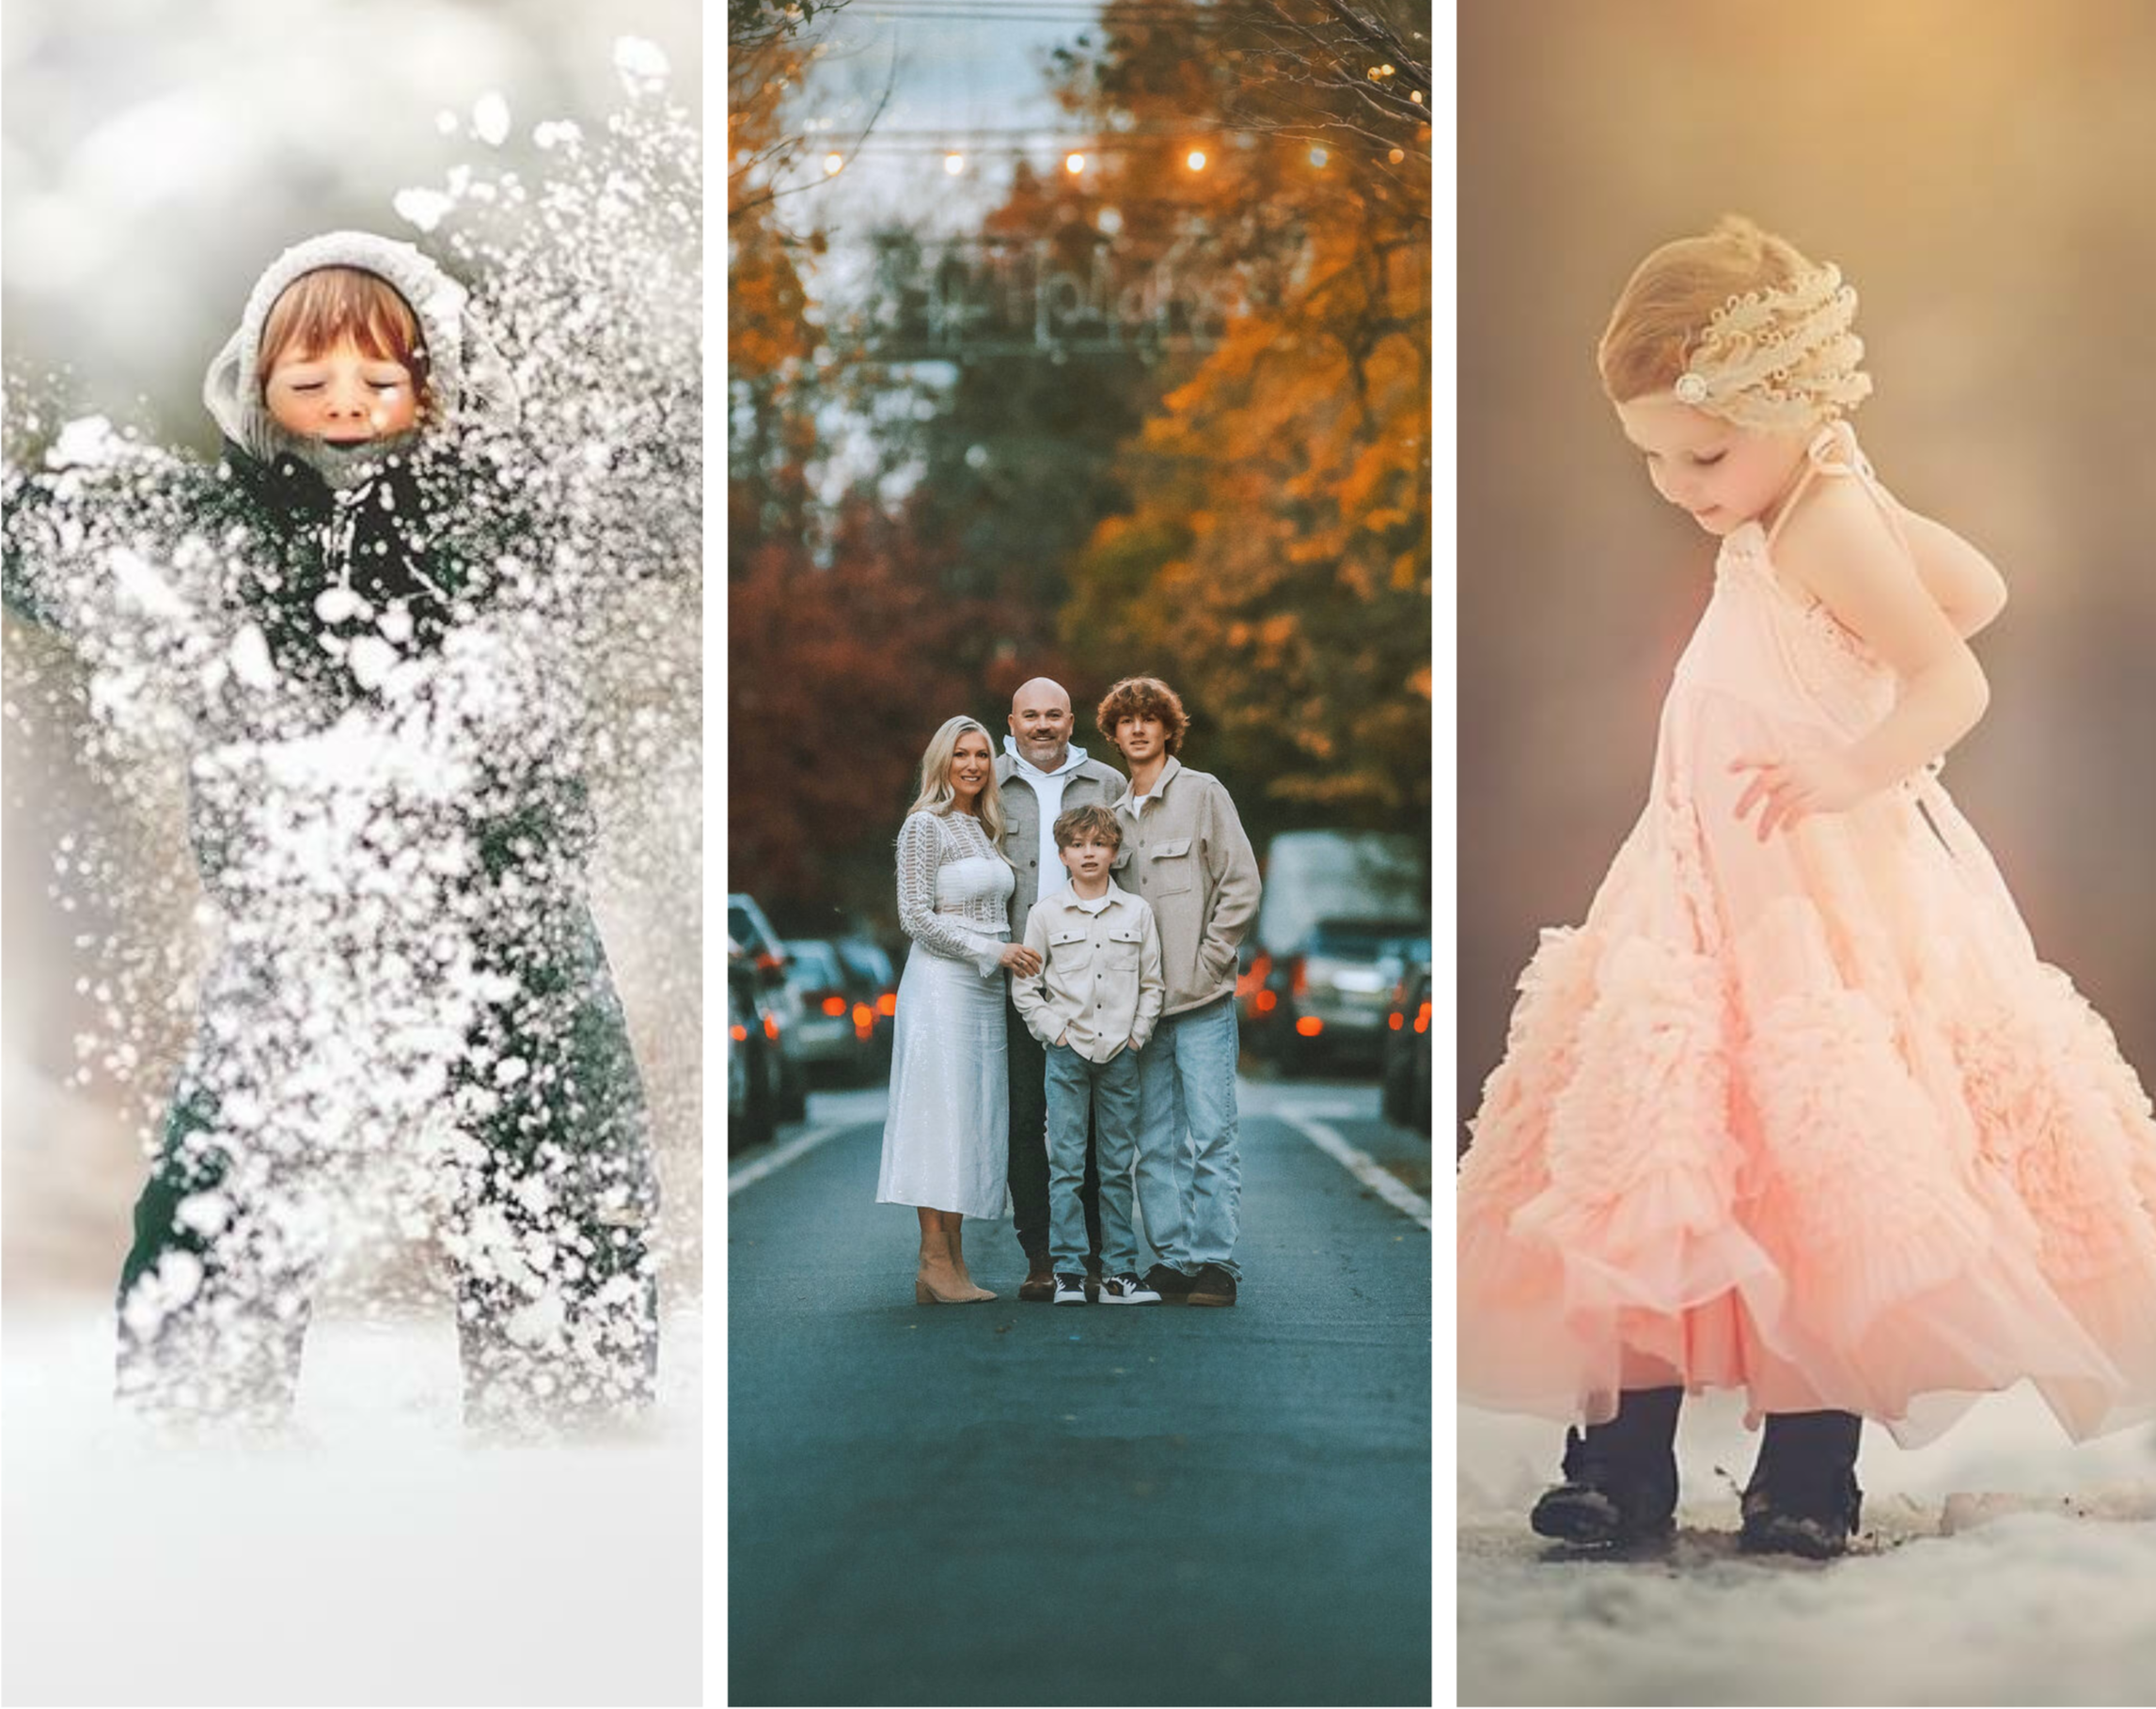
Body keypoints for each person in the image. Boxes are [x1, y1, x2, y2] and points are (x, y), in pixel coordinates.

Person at [1458, 215, 2156, 1559]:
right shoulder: (1809, 502)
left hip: (1808, 895)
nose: (1676, 482)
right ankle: (1618, 1459)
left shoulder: (1820, 522)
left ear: (1786, 407)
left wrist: (1852, 761)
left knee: (1817, 1170)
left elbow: (1956, 666)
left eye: (1703, 452)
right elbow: (1978, 586)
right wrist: (1850, 484)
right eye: (1653, 456)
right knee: (1665, 1163)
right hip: (1699, 886)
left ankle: (1801, 1469)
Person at [3, 232, 663, 1429]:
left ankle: (573, 1437)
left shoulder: (498, 506)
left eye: (377, 382)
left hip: (505, 919)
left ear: (431, 385)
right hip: (303, 926)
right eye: (311, 386)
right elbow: (54, 534)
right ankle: (194, 1436)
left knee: (561, 1193)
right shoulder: (222, 529)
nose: (345, 409)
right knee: (222, 1197)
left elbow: (643, 481)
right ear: (257, 390)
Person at [1098, 676, 1261, 1309]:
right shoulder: (1109, 818)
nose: (1138, 729)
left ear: (1168, 728)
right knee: (1153, 1140)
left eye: (1149, 718)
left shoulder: (1202, 795)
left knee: (1211, 1133)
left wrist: (1210, 960)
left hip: (1200, 1004)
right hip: (1137, 1010)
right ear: (1113, 735)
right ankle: (1171, 1257)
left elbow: (1239, 884)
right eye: (1126, 720)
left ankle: (1215, 1261)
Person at [876, 715, 1037, 1303]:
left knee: (972, 1118)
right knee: (938, 1116)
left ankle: (954, 1262)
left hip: (985, 991)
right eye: (961, 754)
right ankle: (931, 1257)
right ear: (941, 761)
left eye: (983, 755)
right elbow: (916, 918)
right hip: (942, 986)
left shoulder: (982, 825)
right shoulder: (926, 826)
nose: (973, 764)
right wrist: (992, 950)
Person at [995, 676, 1127, 1301]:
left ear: (1071, 721)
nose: (1041, 726)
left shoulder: (1106, 784)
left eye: (1053, 715)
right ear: (1012, 721)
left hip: (1092, 977)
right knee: (1026, 1118)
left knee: (1096, 1121)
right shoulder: (985, 783)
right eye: (1030, 716)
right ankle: (1041, 1254)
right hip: (1014, 976)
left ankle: (1095, 1255)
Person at [1011, 805, 1165, 1305]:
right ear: (1063, 856)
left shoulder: (1137, 913)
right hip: (1067, 1053)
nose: (1089, 853)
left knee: (1117, 1165)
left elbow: (1151, 983)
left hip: (1121, 1052)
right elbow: (1026, 988)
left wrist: (1137, 1035)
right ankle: (1070, 1271)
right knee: (1068, 1166)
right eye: (1077, 845)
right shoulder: (1045, 914)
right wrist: (1054, 1033)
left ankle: (1120, 1270)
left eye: (1098, 844)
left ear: (1115, 853)